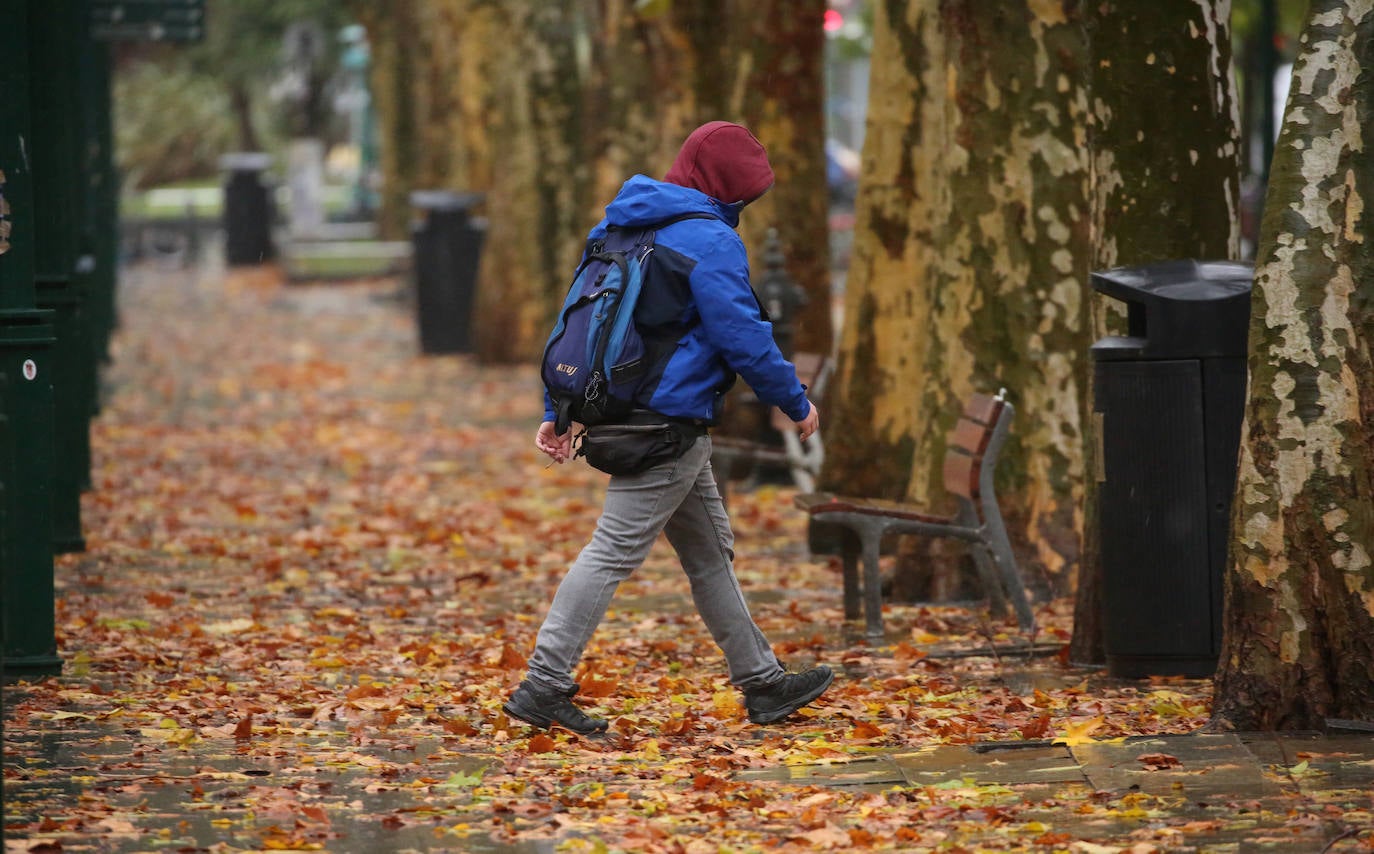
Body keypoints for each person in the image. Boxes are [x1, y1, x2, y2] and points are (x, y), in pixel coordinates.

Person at [504, 121, 833, 735]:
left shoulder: (620, 226)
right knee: (610, 553)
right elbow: (743, 335)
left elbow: (575, 323)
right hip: (666, 423)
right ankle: (543, 684)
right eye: (745, 198)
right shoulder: (708, 241)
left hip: (629, 412)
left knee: (710, 554)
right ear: (730, 191)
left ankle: (762, 683)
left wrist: (559, 408)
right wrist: (793, 400)